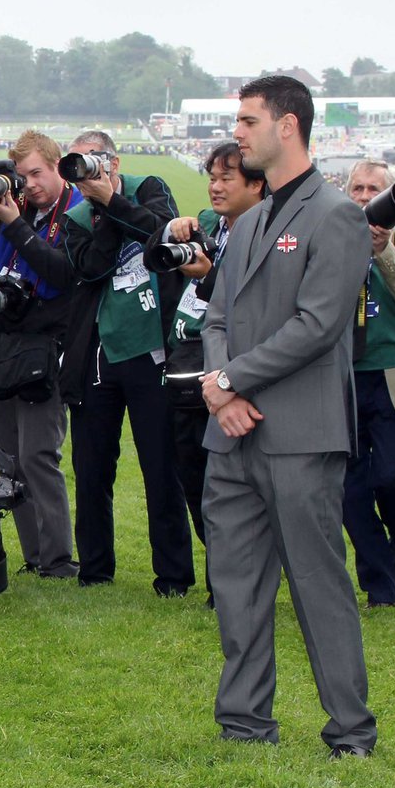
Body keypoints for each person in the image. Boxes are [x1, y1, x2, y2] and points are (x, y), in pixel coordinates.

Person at [201, 75, 374, 758]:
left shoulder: (336, 214)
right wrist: (221, 390)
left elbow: (318, 324)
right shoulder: (247, 224)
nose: (236, 133)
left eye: (247, 120)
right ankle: (244, 723)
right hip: (230, 434)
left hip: (299, 435)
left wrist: (231, 379)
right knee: (235, 585)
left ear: (287, 127)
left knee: (316, 585)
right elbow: (216, 316)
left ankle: (350, 731)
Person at [59, 130, 193, 595]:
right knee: (93, 467)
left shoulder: (150, 187)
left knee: (162, 464)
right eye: (76, 164)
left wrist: (113, 201)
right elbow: (92, 267)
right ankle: (95, 569)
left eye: (92, 161)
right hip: (99, 350)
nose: (85, 172)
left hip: (152, 343)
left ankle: (173, 575)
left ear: (113, 161)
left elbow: (160, 237)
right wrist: (101, 207)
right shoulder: (77, 216)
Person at [150, 141, 265, 605]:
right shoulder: (210, 224)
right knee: (195, 483)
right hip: (185, 374)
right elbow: (152, 258)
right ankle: (222, 577)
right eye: (212, 178)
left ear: (256, 185)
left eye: (226, 179)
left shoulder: (269, 233)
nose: (215, 188)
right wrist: (169, 230)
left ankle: (232, 586)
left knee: (233, 489)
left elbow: (252, 302)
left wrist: (208, 274)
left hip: (232, 376)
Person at [0, 131, 77, 579]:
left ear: (57, 165)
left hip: (44, 349)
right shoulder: (19, 210)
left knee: (38, 456)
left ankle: (57, 557)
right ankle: (35, 556)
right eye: (22, 176)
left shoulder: (73, 213)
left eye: (37, 173)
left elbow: (56, 276)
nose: (29, 185)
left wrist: (14, 225)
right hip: (4, 345)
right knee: (9, 456)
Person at [340, 159, 395, 607]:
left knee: (392, 478)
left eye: (373, 188)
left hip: (392, 372)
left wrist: (383, 250)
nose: (363, 196)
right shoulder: (334, 236)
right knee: (349, 486)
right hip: (341, 375)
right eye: (357, 187)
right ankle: (380, 585)